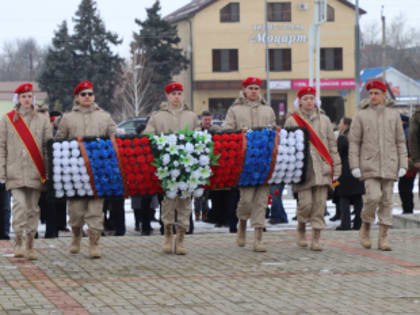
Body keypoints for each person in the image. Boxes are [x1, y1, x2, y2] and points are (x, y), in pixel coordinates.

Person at [56, 81, 116, 258]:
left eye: (90, 94)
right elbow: (59, 142)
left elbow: (114, 139)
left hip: (98, 171)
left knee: (95, 210)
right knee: (76, 211)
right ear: (77, 98)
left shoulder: (104, 117)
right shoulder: (67, 118)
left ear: (94, 96)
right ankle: (76, 236)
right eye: (83, 94)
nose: (87, 97)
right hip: (76, 172)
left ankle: (94, 243)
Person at [349, 80, 407, 251]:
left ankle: (384, 238)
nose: (373, 96)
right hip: (369, 164)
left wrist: (403, 163)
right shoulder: (361, 115)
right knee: (373, 197)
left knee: (387, 201)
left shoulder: (394, 115)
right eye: (371, 93)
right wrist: (354, 166)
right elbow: (354, 143)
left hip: (390, 164)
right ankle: (366, 226)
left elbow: (400, 142)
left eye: (376, 93)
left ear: (384, 95)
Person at [143, 82, 200, 255]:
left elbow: (199, 135)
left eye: (179, 93)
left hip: (187, 165)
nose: (177, 96)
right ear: (167, 96)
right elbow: (148, 134)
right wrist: (158, 140)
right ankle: (168, 234)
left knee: (184, 202)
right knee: (168, 203)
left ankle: (181, 238)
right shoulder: (158, 116)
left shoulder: (191, 116)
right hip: (166, 166)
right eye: (173, 93)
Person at [285, 86, 341, 251]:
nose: (309, 102)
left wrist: (336, 168)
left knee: (319, 206)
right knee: (305, 205)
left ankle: (316, 238)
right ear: (299, 102)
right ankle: (301, 227)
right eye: (305, 99)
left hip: (323, 169)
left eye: (311, 98)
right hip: (303, 171)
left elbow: (332, 145)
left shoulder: (324, 120)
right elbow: (287, 147)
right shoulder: (292, 121)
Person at [223, 77, 276, 252]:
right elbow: (227, 131)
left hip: (264, 162)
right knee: (246, 200)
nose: (254, 91)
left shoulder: (268, 110)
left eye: (256, 88)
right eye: (250, 88)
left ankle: (259, 237)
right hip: (245, 164)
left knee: (261, 201)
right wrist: (239, 134)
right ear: (244, 90)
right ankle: (242, 225)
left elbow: (274, 132)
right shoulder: (235, 110)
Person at [0, 83, 52, 259]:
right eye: (23, 97)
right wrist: (2, 170)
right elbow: (1, 147)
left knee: (32, 209)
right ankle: (19, 241)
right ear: (18, 99)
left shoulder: (43, 120)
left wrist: (49, 171)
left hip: (36, 172)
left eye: (29, 96)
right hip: (15, 172)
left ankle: (30, 243)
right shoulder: (7, 120)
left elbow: (47, 147)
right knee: (19, 207)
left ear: (33, 98)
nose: (27, 99)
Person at [335, 117, 365, 230]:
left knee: (344, 198)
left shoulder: (342, 138)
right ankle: (358, 223)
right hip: (358, 168)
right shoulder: (358, 137)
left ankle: (345, 224)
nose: (339, 125)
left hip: (345, 171)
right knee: (357, 197)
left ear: (346, 125)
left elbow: (337, 153)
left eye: (340, 123)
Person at [399, 114, 416, 214]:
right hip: (409, 161)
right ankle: (407, 209)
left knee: (405, 187)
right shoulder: (407, 129)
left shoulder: (407, 131)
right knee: (405, 187)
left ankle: (408, 209)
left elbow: (409, 147)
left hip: (409, 163)